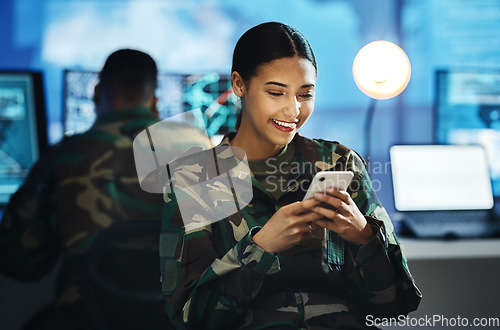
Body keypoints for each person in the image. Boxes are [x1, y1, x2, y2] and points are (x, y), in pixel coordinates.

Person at [160, 22, 422, 329]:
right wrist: (261, 248)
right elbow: (190, 319)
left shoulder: (341, 164)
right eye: (275, 92)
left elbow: (395, 306)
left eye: (305, 94)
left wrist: (363, 236)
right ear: (239, 84)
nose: (293, 110)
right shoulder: (193, 179)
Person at [0, 49, 165, 329]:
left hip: (84, 319)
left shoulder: (61, 158)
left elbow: (21, 261)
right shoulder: (201, 154)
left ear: (97, 93)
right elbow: (231, 260)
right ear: (154, 101)